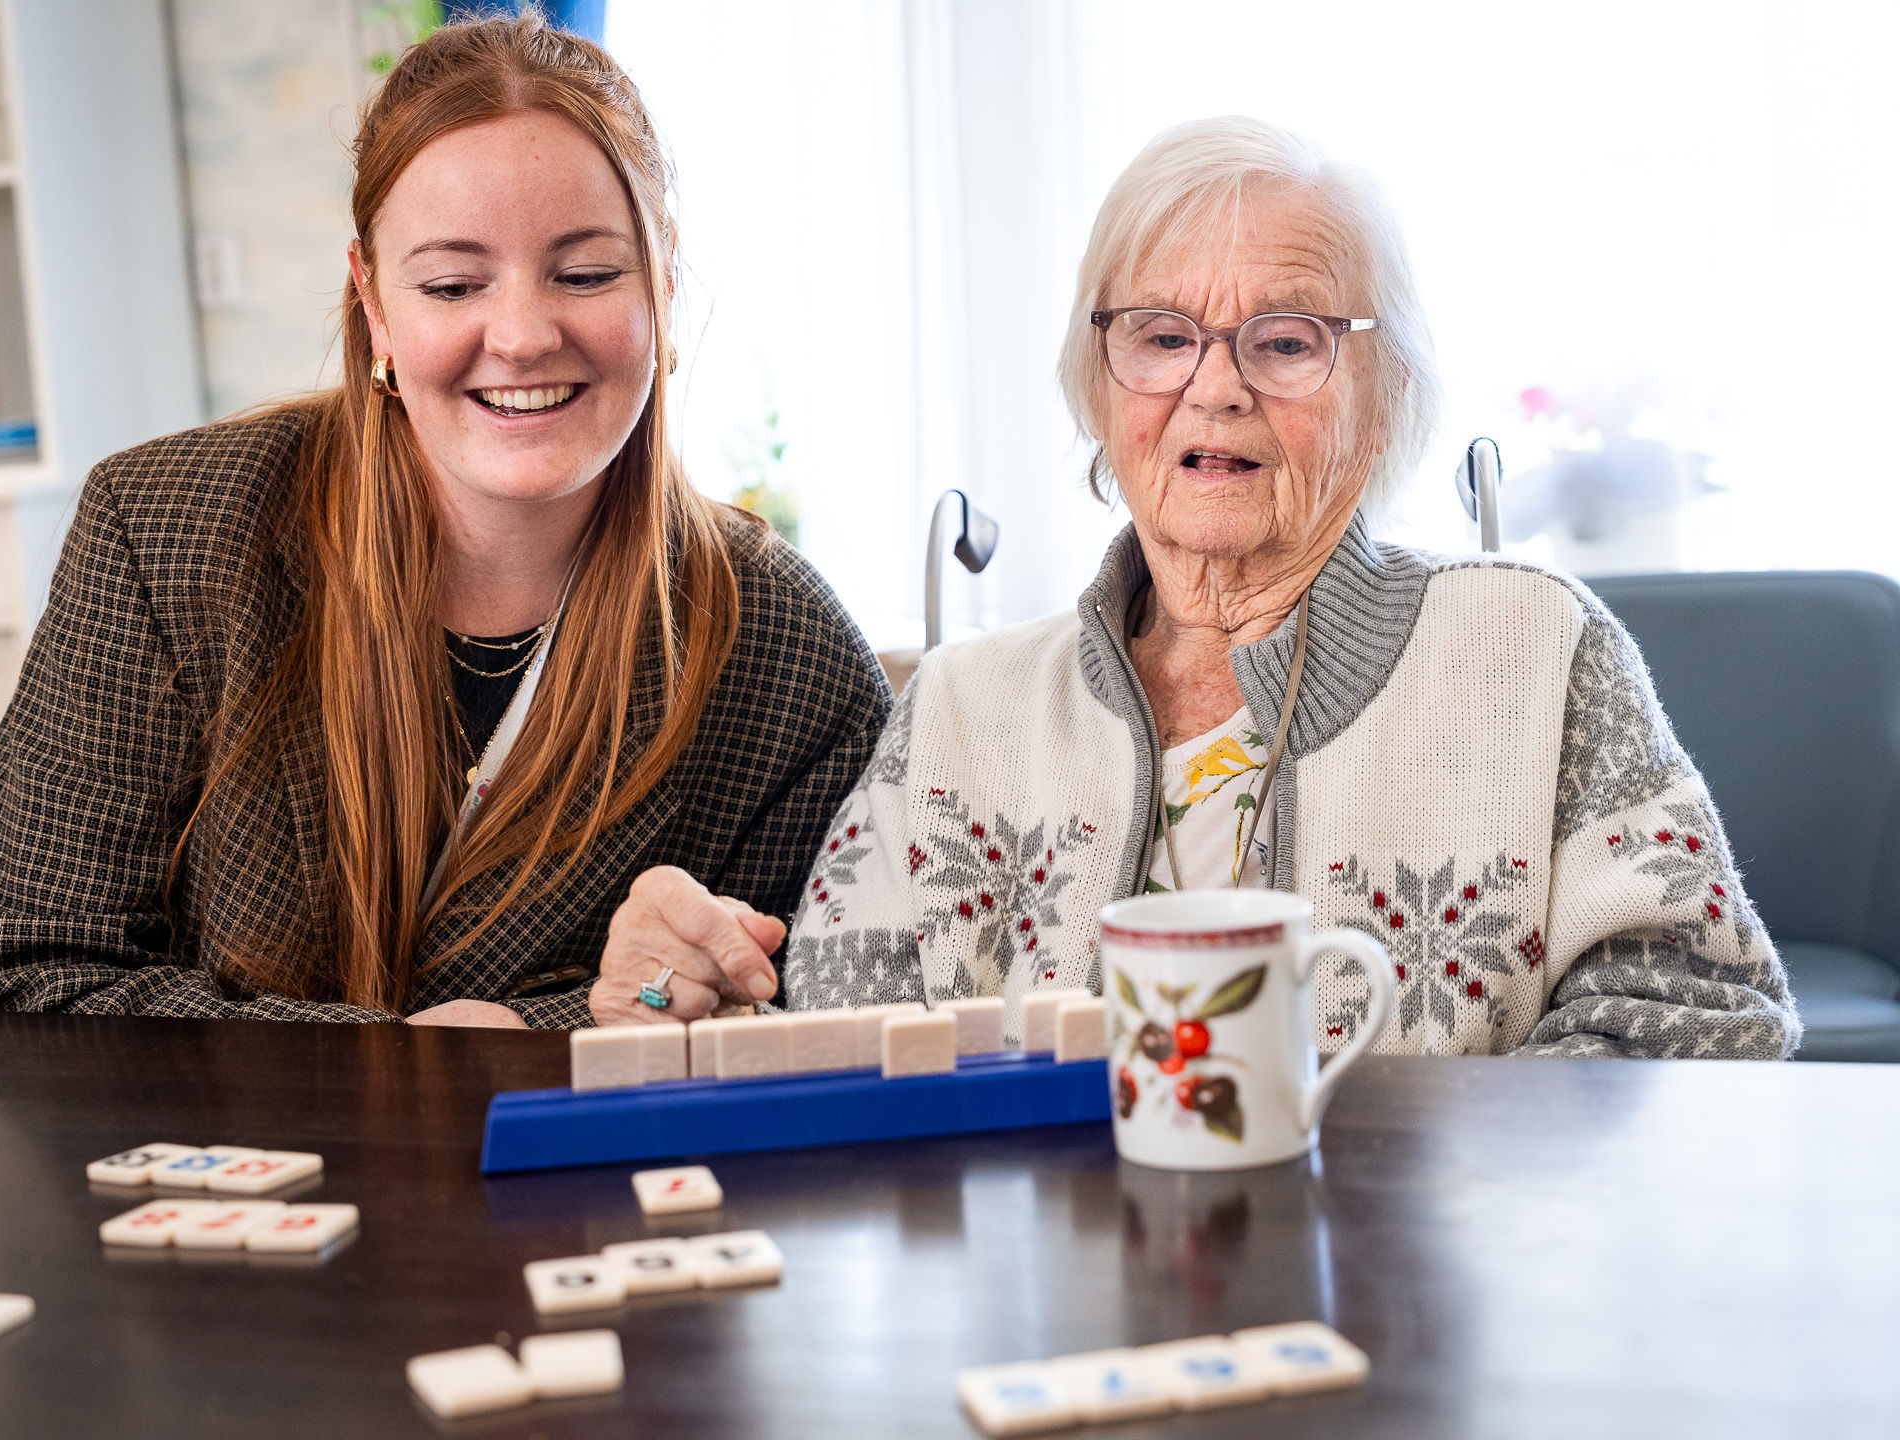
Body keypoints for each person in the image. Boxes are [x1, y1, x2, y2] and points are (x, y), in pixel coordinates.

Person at [754, 116, 1794, 1059]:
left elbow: (1699, 1020)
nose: (1215, 386)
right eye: (1162, 338)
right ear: (1099, 389)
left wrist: (1416, 1209)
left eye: (1287, 342)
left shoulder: (1535, 648)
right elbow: (838, 1041)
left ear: (1385, 401)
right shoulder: (959, 706)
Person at [0, 13, 888, 1029]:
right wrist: (417, 1058)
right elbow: (25, 979)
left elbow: (824, 1018)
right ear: (375, 307)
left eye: (586, 273)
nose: (522, 336)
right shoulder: (165, 531)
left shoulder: (787, 649)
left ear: (661, 285)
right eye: (451, 284)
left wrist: (612, 1012)